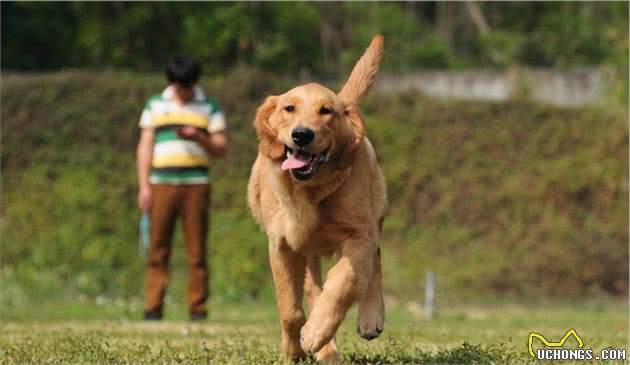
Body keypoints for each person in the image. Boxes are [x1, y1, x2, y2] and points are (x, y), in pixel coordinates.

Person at [136, 55, 227, 320]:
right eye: (179, 86)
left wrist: (200, 137)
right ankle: (153, 306)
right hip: (160, 185)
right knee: (158, 248)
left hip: (196, 185)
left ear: (195, 83)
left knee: (197, 250)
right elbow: (145, 146)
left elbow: (221, 148)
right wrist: (144, 186)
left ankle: (197, 307)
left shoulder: (209, 106)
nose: (183, 91)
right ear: (172, 83)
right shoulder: (155, 105)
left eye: (187, 86)